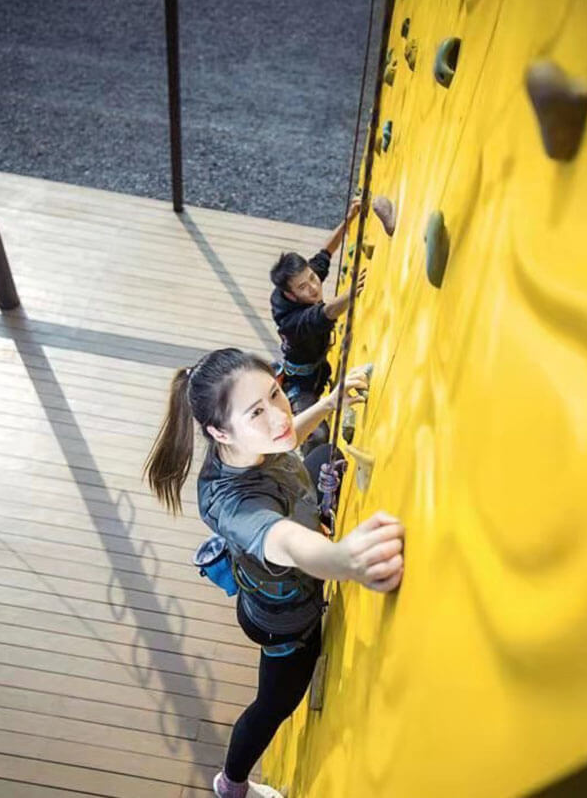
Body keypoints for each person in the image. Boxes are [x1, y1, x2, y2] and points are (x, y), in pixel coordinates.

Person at [145, 348, 405, 798]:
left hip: (289, 580)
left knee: (320, 448)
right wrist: (344, 559)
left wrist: (326, 404)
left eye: (276, 395)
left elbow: (285, 440)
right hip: (283, 621)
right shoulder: (233, 503)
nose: (279, 417)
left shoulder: (252, 445)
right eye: (256, 412)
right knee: (276, 703)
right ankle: (232, 785)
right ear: (220, 431)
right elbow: (285, 540)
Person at [269, 199, 366, 455]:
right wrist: (352, 292)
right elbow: (324, 314)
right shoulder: (290, 321)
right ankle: (316, 477)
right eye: (303, 287)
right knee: (317, 435)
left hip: (318, 368)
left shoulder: (305, 281)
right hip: (300, 384)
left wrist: (350, 218)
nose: (313, 287)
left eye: (312, 278)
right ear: (290, 295)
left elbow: (326, 252)